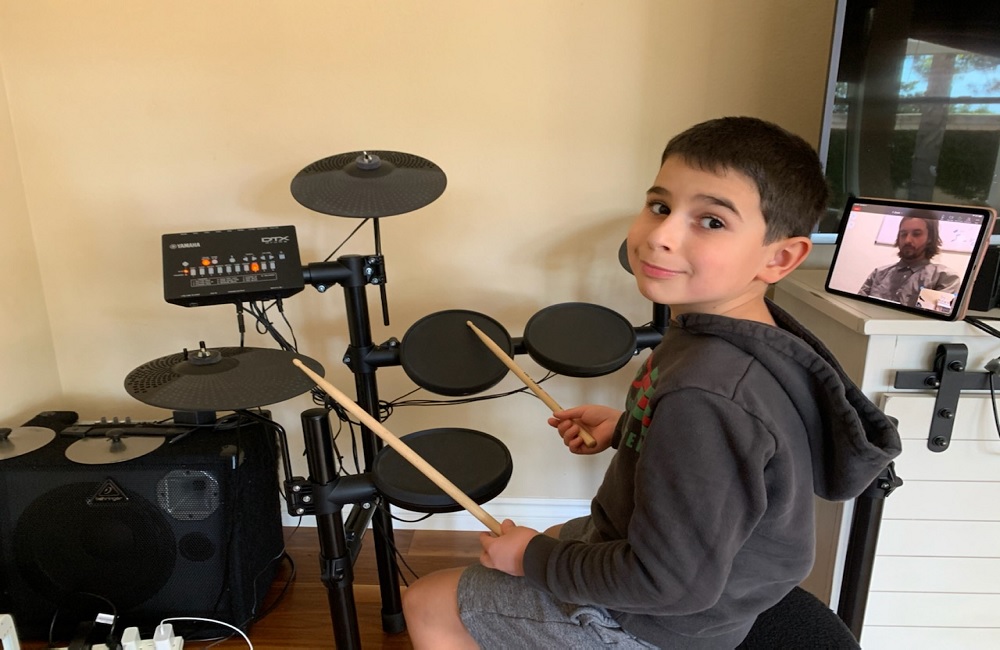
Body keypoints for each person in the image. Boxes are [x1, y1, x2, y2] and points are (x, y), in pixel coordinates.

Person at [401, 116, 902, 649]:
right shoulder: (741, 336)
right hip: (701, 570)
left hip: (667, 622)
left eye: (711, 221)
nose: (661, 236)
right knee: (543, 540)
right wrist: (631, 427)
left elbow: (669, 583)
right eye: (661, 207)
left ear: (779, 257)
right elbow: (743, 456)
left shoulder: (708, 394)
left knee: (430, 601)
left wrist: (532, 559)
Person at [858, 215, 961, 306]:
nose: (907, 240)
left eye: (916, 234)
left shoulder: (944, 278)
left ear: (930, 238)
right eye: (903, 234)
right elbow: (858, 308)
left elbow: (934, 319)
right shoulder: (878, 274)